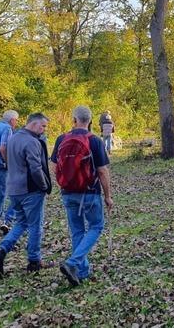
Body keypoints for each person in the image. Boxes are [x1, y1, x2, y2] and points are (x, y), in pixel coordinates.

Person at [52, 106, 113, 286]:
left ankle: (82, 271)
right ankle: (72, 263)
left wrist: (63, 183)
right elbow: (102, 171)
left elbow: (54, 166)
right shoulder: (94, 141)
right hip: (89, 193)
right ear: (91, 121)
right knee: (96, 226)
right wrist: (108, 196)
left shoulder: (61, 139)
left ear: (74, 120)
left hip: (68, 193)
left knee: (77, 230)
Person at [0, 113, 52, 277]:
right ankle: (34, 261)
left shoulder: (13, 138)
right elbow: (36, 168)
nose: (44, 130)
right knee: (35, 226)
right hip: (30, 190)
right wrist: (44, 186)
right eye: (43, 126)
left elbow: (9, 160)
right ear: (34, 124)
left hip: (13, 188)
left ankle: (0, 252)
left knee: (21, 223)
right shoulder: (31, 142)